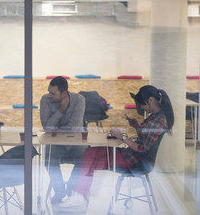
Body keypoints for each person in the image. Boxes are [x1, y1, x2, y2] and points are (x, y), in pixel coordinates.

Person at [59, 85, 174, 212]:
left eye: (143, 104)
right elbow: (146, 137)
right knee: (89, 153)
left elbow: (142, 148)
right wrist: (136, 126)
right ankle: (80, 194)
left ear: (151, 100)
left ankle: (79, 195)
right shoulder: (156, 117)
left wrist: (122, 136)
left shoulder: (157, 121)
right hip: (130, 155)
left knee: (90, 158)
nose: (141, 107)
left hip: (133, 161)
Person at [40, 76, 87, 204]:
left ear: (64, 93)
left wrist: (55, 127)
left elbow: (74, 128)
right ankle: (60, 191)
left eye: (53, 93)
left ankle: (71, 190)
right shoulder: (45, 100)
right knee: (49, 159)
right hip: (56, 143)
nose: (49, 95)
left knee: (85, 159)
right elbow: (46, 127)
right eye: (49, 91)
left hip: (75, 142)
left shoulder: (79, 100)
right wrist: (62, 109)